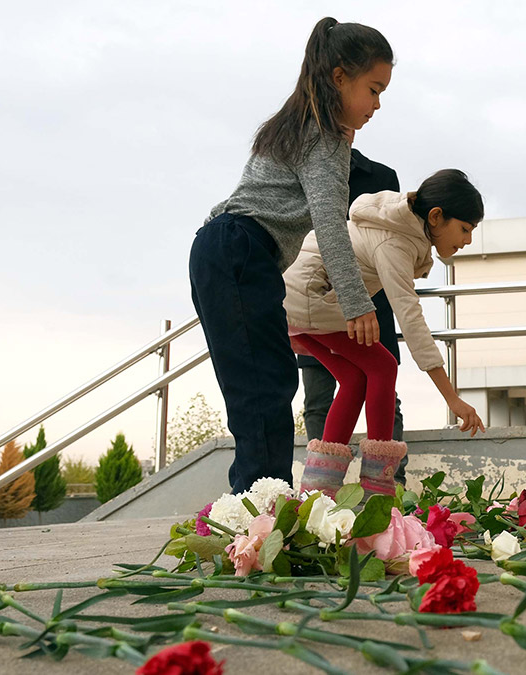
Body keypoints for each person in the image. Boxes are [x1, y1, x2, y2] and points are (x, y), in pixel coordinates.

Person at [190, 18, 393, 493]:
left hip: (222, 246)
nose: (377, 105)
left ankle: (255, 514)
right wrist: (357, 302)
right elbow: (329, 223)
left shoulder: (293, 125)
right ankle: (262, 518)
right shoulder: (324, 135)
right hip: (240, 249)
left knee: (257, 388)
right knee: (264, 390)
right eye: (374, 89)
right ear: (339, 77)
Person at [286, 170, 488, 498]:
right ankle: (378, 491)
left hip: (301, 300)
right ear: (436, 217)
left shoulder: (400, 229)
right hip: (311, 296)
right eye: (464, 228)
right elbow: (410, 317)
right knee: (383, 366)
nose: (467, 240)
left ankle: (318, 493)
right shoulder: (396, 241)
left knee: (355, 379)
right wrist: (451, 398)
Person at [299, 148, 408, 485]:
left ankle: (391, 484)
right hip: (312, 303)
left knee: (386, 391)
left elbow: (392, 235)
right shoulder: (303, 170)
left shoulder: (381, 177)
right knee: (318, 399)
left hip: (368, 309)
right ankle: (320, 493)